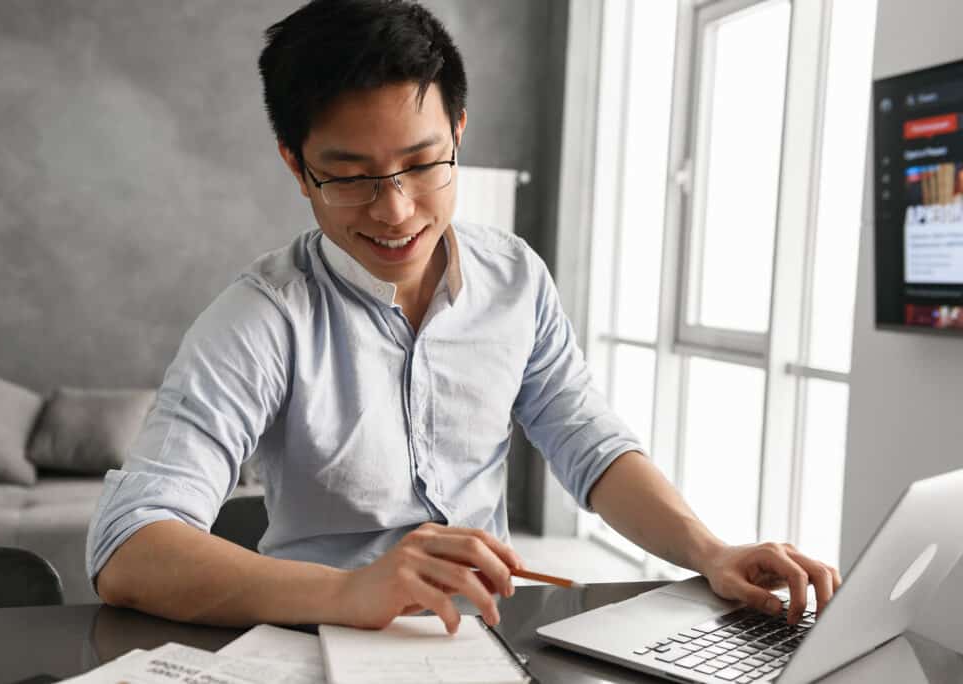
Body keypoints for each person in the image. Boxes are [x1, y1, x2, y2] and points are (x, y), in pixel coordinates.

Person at [87, 0, 841, 635]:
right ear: (296, 164)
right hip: (319, 645)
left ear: (459, 133)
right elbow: (127, 547)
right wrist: (353, 592)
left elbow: (590, 445)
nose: (394, 210)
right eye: (349, 177)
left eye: (422, 163)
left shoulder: (515, 277)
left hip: (485, 641)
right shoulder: (260, 319)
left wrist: (708, 552)